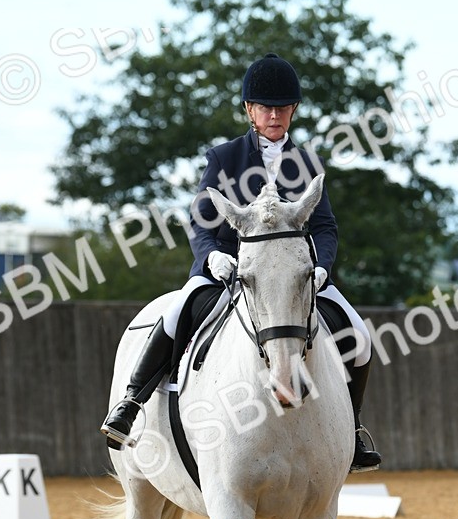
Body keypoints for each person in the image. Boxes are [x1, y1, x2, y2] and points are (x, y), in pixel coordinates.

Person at [100, 52, 382, 472]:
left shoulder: (307, 163)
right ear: (250, 110)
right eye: (266, 107)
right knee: (177, 313)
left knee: (357, 334)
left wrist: (321, 265)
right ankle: (131, 403)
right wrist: (211, 256)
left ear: (293, 110)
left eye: (282, 107)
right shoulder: (224, 158)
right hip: (230, 272)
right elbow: (201, 221)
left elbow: (325, 227)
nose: (274, 114)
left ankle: (352, 430)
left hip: (295, 279)